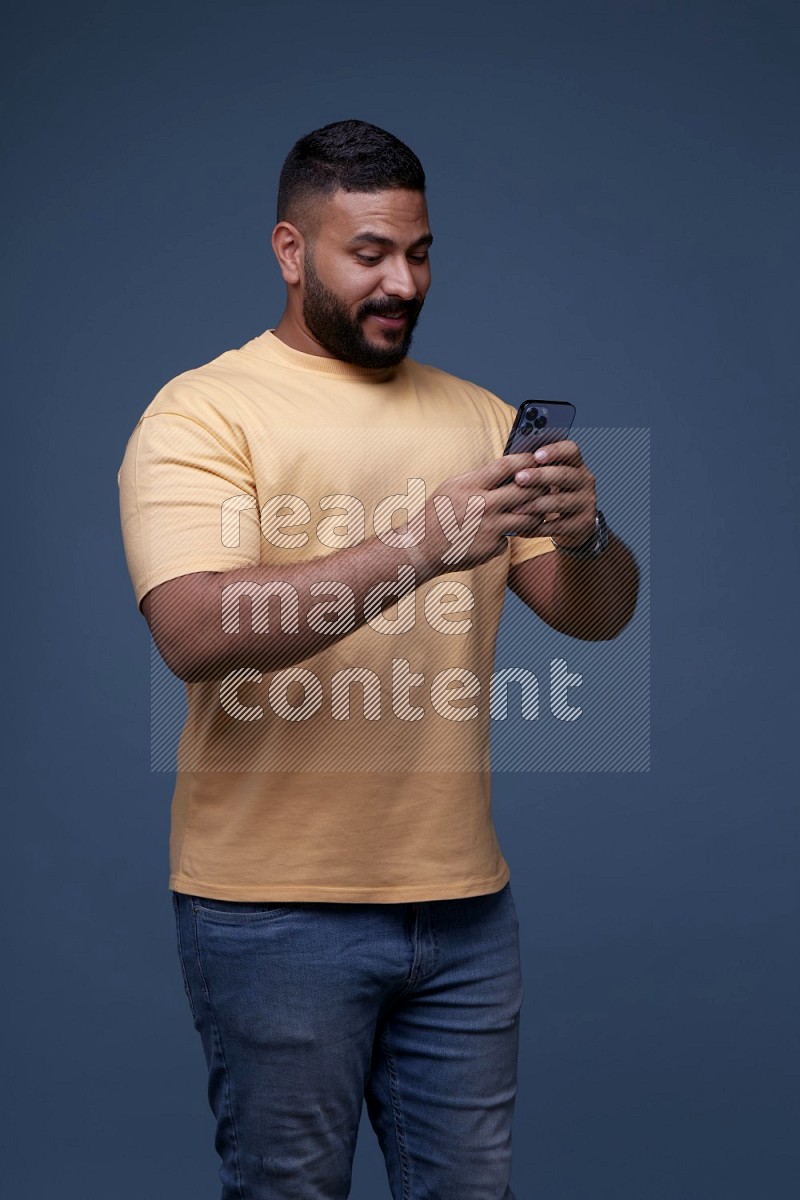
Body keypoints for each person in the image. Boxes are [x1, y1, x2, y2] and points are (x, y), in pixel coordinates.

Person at [118, 119, 638, 1200]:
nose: (403, 281)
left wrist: (587, 537)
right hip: (271, 912)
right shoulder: (203, 412)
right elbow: (193, 631)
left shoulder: (481, 417)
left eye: (419, 251)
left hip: (462, 909)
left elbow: (592, 619)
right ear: (290, 250)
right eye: (369, 254)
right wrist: (421, 545)